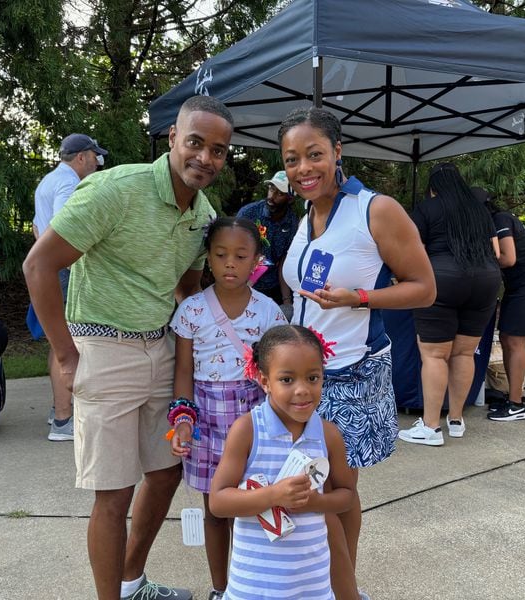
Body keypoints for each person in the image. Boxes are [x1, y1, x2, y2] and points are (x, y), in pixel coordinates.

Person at [23, 94, 233, 600]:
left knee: (166, 474)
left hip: (160, 349)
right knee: (114, 493)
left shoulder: (203, 215)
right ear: (173, 140)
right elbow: (38, 265)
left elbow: (186, 290)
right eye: (195, 143)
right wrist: (68, 354)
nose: (205, 158)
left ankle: (131, 581)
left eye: (218, 150)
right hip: (103, 347)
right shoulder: (116, 189)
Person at [278, 107, 436, 597]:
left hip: (350, 374)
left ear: (338, 152)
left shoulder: (376, 209)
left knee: (337, 492)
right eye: (291, 159)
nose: (303, 169)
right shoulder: (307, 215)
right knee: (309, 487)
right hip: (302, 376)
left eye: (314, 155)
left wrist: (360, 297)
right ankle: (321, 582)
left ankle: (343, 591)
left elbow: (424, 288)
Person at [169, 216, 287, 600]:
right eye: (220, 255)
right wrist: (183, 421)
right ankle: (221, 590)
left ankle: (253, 586)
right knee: (216, 511)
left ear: (257, 261)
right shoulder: (191, 311)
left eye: (240, 255)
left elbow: (277, 373)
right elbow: (184, 370)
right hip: (206, 419)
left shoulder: (269, 312)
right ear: (208, 258)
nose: (230, 264)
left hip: (255, 420)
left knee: (258, 505)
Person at [209, 324, 356, 600]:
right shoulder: (248, 430)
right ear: (264, 381)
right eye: (287, 380)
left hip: (311, 585)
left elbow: (347, 497)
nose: (302, 390)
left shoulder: (328, 435)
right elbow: (218, 501)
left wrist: (315, 503)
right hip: (254, 586)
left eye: (312, 378)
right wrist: (274, 495)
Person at [398, 163, 501, 447]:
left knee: (434, 356)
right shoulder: (480, 209)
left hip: (442, 280)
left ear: (433, 188)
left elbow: (410, 247)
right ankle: (456, 420)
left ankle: (430, 426)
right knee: (464, 354)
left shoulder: (428, 208)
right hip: (486, 281)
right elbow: (496, 251)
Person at [32, 133, 108, 442]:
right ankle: (63, 419)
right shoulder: (69, 184)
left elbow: (39, 228)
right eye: (94, 156)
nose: (97, 162)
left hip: (53, 269)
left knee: (58, 340)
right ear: (81, 157)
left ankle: (58, 410)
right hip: (65, 271)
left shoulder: (48, 181)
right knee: (65, 343)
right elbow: (68, 227)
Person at [474, 187, 525, 422]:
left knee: (514, 339)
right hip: (522, 284)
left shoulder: (500, 220)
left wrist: (479, 260)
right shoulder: (496, 222)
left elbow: (508, 258)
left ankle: (516, 404)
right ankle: (515, 397)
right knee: (507, 338)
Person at [236, 170, 299, 309]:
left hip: (272, 291)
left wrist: (286, 300)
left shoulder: (292, 224)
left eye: (280, 193)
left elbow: (284, 260)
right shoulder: (249, 213)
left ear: (290, 198)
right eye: (271, 189)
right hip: (242, 285)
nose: (272, 196)